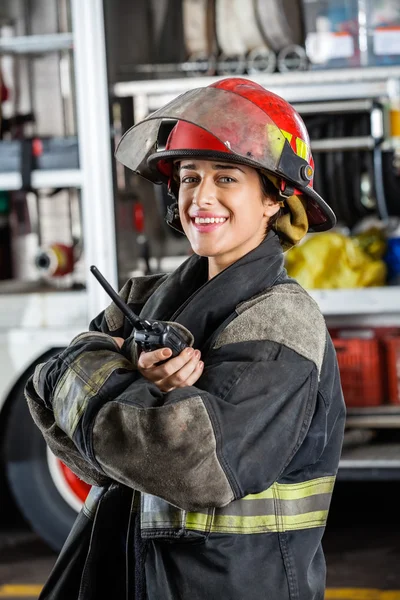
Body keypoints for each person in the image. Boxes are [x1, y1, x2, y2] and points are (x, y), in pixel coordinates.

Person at [26, 78, 345, 600]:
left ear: (273, 198)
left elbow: (195, 465)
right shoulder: (143, 296)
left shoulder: (281, 321)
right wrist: (139, 395)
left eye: (227, 178)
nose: (202, 196)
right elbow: (55, 411)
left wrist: (103, 374)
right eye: (189, 177)